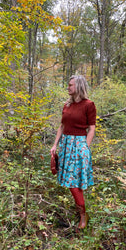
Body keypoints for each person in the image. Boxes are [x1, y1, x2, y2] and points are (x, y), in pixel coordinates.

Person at [50, 75, 96, 230]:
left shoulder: (89, 105)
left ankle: (83, 215)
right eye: (68, 85)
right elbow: (62, 126)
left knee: (74, 182)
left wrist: (85, 147)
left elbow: (92, 128)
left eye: (70, 85)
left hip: (79, 145)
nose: (68, 87)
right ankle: (81, 209)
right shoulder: (67, 105)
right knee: (71, 181)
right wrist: (55, 145)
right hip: (66, 145)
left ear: (79, 86)